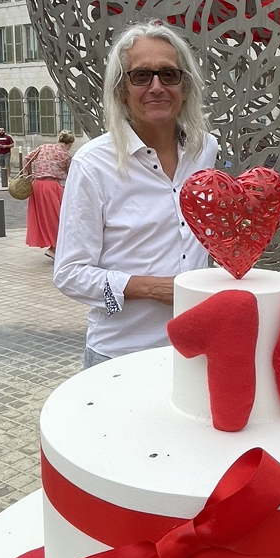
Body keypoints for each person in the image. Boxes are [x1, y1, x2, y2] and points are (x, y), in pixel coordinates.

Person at [54, 22, 217, 365]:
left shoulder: (206, 150)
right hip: (122, 353)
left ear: (185, 87)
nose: (157, 87)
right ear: (120, 91)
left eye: (169, 75)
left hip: (198, 346)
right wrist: (152, 288)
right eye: (141, 76)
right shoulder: (93, 164)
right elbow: (69, 274)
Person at [24, 131, 76, 257]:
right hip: (52, 186)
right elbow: (72, 175)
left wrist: (27, 175)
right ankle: (55, 247)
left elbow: (27, 158)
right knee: (58, 217)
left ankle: (53, 245)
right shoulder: (66, 155)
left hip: (36, 185)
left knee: (43, 217)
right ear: (69, 143)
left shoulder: (43, 147)